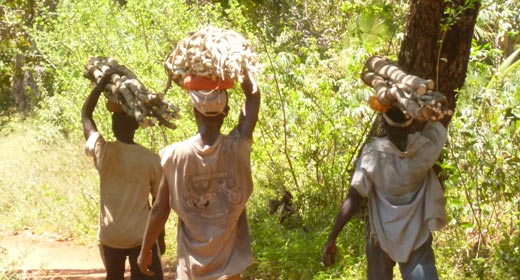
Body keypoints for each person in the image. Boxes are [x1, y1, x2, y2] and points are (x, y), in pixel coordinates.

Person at [137, 71, 261, 280]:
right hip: (229, 272)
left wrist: (145, 250)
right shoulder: (237, 148)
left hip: (191, 271)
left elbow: (160, 209)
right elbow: (253, 98)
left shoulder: (174, 155)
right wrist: (241, 68)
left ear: (195, 112)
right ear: (226, 112)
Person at [322, 106, 448, 280]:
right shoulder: (425, 149)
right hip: (416, 234)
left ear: (385, 127)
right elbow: (441, 122)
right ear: (410, 126)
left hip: (381, 235)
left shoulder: (372, 156)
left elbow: (354, 197)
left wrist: (332, 237)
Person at [82, 71, 165, 280]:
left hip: (111, 237)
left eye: (116, 120)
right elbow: (159, 202)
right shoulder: (150, 159)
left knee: (114, 276)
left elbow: (86, 115)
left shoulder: (103, 151)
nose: (115, 124)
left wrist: (101, 84)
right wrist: (159, 236)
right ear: (136, 125)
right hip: (141, 238)